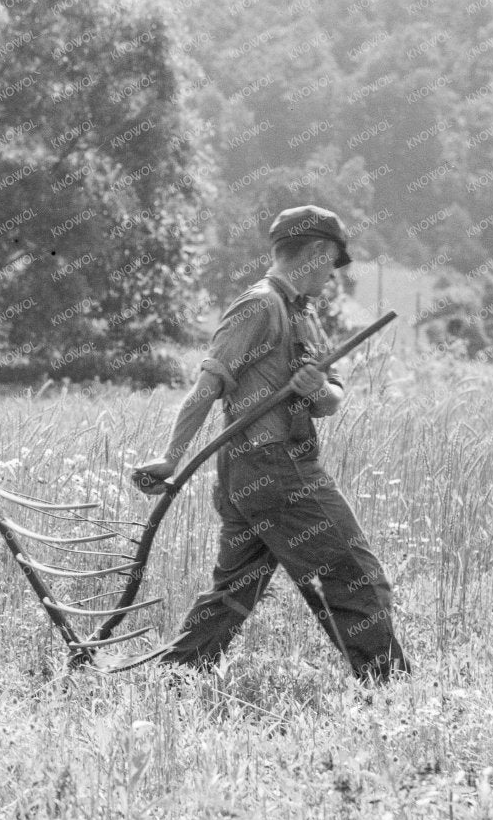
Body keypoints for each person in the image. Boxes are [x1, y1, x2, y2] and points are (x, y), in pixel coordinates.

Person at [122, 205, 408, 682]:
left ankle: (177, 676)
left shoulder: (306, 315)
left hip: (263, 470)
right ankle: (390, 688)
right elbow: (208, 385)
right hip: (274, 469)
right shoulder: (259, 305)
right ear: (316, 251)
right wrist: (171, 457)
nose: (332, 275)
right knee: (359, 573)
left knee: (237, 585)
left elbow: (332, 399)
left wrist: (316, 388)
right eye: (333, 261)